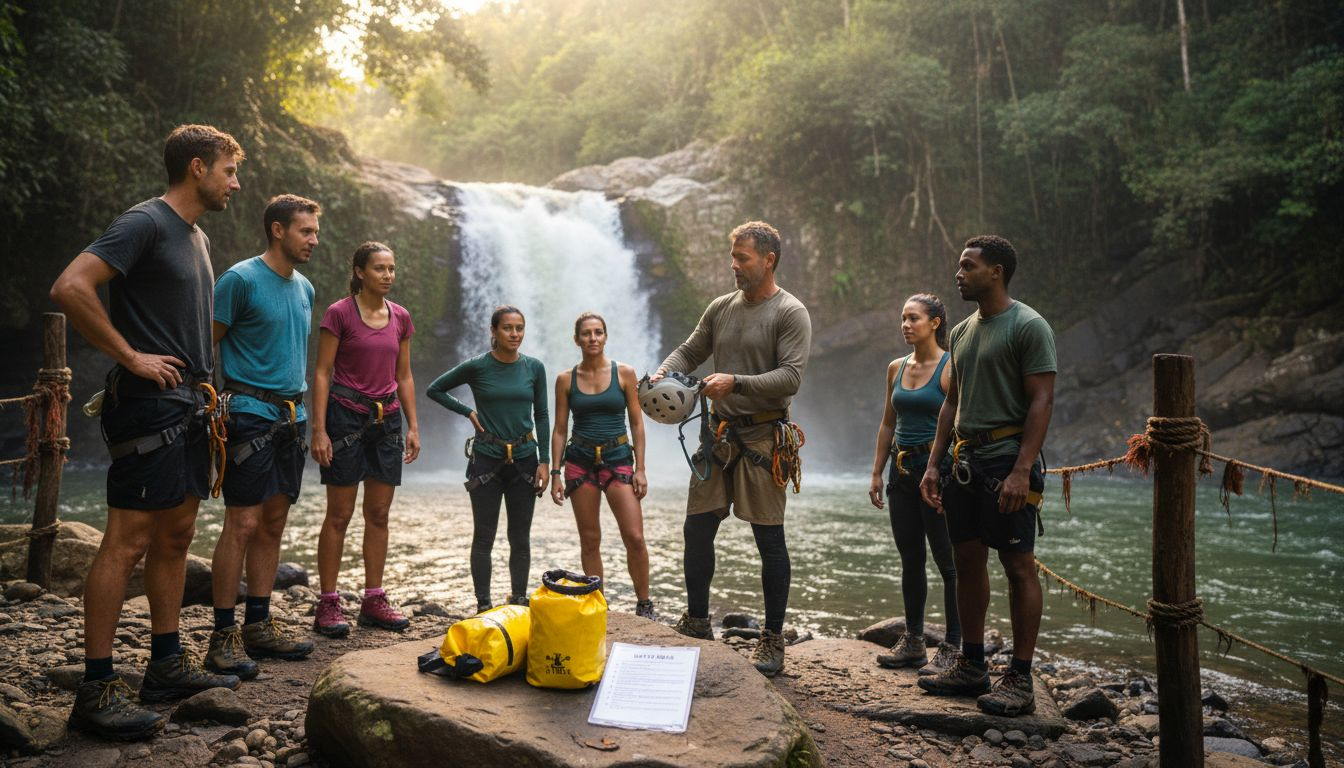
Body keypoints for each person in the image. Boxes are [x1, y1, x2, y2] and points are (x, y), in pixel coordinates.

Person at [49, 124, 245, 740]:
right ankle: (97, 687)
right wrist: (131, 357)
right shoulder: (145, 223)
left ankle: (165, 664)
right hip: (147, 405)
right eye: (228, 171)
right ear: (196, 168)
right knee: (127, 540)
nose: (235, 183)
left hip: (189, 407)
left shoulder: (197, 236)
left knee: (177, 533)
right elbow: (70, 287)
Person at [654, 221, 811, 677]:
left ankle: (772, 638)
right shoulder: (720, 307)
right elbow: (689, 351)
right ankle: (698, 621)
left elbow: (792, 376)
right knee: (696, 529)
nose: (734, 266)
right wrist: (662, 375)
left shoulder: (790, 312)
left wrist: (735, 381)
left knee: (769, 538)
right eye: (733, 257)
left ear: (768, 260)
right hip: (717, 435)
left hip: (764, 437)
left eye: (742, 258)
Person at [917, 235, 1056, 717]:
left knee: (1018, 566)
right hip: (964, 461)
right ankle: (972, 664)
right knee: (968, 559)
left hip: (1006, 462)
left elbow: (1042, 400)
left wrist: (1022, 470)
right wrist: (934, 465)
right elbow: (951, 402)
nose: (958, 273)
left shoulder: (1029, 326)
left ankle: (1020, 678)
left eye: (968, 266)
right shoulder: (961, 333)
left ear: (996, 271)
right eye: (959, 266)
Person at [204, 195, 320, 679]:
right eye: (306, 231)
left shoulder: (306, 288)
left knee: (273, 522)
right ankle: (223, 635)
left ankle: (258, 623)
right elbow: (204, 341)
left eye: (315, 231)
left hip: (291, 418)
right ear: (277, 230)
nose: (314, 240)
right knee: (243, 523)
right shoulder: (239, 280)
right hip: (247, 414)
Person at [309, 242, 421, 637]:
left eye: (392, 268)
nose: (388, 275)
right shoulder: (339, 313)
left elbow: (404, 375)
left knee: (378, 514)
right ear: (359, 272)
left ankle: (373, 599)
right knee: (339, 514)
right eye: (379, 269)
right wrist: (319, 429)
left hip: (387, 420)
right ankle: (328, 602)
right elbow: (322, 372)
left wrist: (413, 425)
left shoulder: (401, 317)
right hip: (345, 418)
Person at [427, 306, 549, 614]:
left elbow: (542, 415)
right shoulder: (477, 366)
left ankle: (519, 601)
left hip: (524, 459)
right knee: (484, 536)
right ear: (493, 331)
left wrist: (545, 461)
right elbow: (435, 389)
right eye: (507, 328)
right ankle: (483, 606)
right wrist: (467, 411)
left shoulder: (534, 367)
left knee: (520, 537)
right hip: (487, 460)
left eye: (519, 328)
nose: (515, 334)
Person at [868, 294, 961, 675]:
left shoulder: (950, 366)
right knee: (911, 558)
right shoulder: (896, 367)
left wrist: (940, 467)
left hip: (936, 470)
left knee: (947, 560)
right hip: (901, 471)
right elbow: (888, 422)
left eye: (914, 318)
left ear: (936, 322)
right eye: (903, 319)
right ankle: (914, 640)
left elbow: (956, 420)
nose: (906, 325)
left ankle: (955, 646)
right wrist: (876, 471)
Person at [549, 312, 656, 620]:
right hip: (580, 463)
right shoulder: (565, 379)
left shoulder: (624, 373)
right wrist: (556, 472)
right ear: (577, 339)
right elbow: (559, 429)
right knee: (590, 538)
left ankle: (644, 604)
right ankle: (599, 603)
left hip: (618, 459)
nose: (592, 338)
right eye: (586, 333)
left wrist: (641, 468)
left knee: (634, 536)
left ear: (606, 336)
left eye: (598, 332)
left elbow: (637, 422)